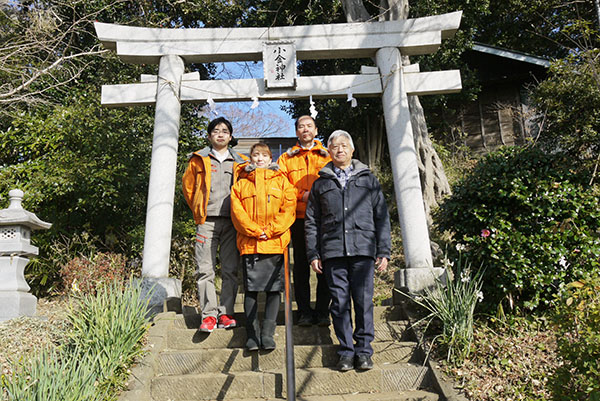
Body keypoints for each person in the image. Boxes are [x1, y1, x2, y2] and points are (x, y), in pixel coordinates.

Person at [305, 130, 391, 372]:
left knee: (363, 302)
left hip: (363, 250)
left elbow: (381, 216)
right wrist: (313, 253)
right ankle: (345, 352)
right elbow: (311, 221)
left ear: (352, 150)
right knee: (339, 303)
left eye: (344, 145)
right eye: (335, 146)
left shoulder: (368, 179)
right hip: (333, 252)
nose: (340, 149)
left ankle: (364, 351)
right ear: (329, 152)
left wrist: (383, 250)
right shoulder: (321, 183)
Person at [182, 117, 249, 333]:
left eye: (225, 131)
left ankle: (226, 313)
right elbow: (188, 188)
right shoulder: (198, 159)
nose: (220, 134)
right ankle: (209, 315)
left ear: (230, 136)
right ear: (210, 135)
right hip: (206, 221)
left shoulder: (241, 162)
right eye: (216, 131)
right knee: (205, 270)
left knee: (230, 270)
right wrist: (198, 209)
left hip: (232, 222)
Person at [230, 142, 296, 350]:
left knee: (274, 289)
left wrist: (271, 230)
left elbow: (289, 209)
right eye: (256, 155)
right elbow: (237, 212)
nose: (260, 159)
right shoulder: (241, 184)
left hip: (275, 243)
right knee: (250, 290)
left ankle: (268, 333)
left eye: (264, 155)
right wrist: (256, 231)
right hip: (251, 243)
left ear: (271, 159)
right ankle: (252, 334)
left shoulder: (282, 181)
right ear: (250, 158)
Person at [277, 115, 332, 327]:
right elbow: (281, 184)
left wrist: (316, 195)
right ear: (296, 132)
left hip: (324, 217)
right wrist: (302, 195)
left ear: (316, 130)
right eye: (301, 126)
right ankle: (304, 311)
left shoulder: (327, 155)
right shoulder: (286, 158)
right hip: (297, 217)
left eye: (309, 126)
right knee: (300, 265)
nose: (305, 129)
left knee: (325, 263)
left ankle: (323, 311)